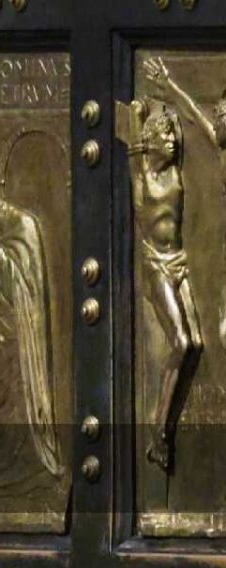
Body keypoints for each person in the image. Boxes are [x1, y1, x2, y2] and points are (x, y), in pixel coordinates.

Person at [120, 97, 203, 470]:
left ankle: (163, 425)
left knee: (196, 344)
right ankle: (158, 432)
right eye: (165, 135)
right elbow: (133, 147)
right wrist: (138, 115)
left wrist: (165, 95)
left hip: (179, 263)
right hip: (155, 265)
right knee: (181, 342)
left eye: (173, 135)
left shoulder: (176, 174)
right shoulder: (142, 176)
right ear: (151, 141)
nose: (172, 141)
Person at [0, 188, 63, 484]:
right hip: (1, 334)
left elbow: (23, 289)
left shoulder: (23, 227)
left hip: (21, 340)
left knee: (7, 398)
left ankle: (21, 467)